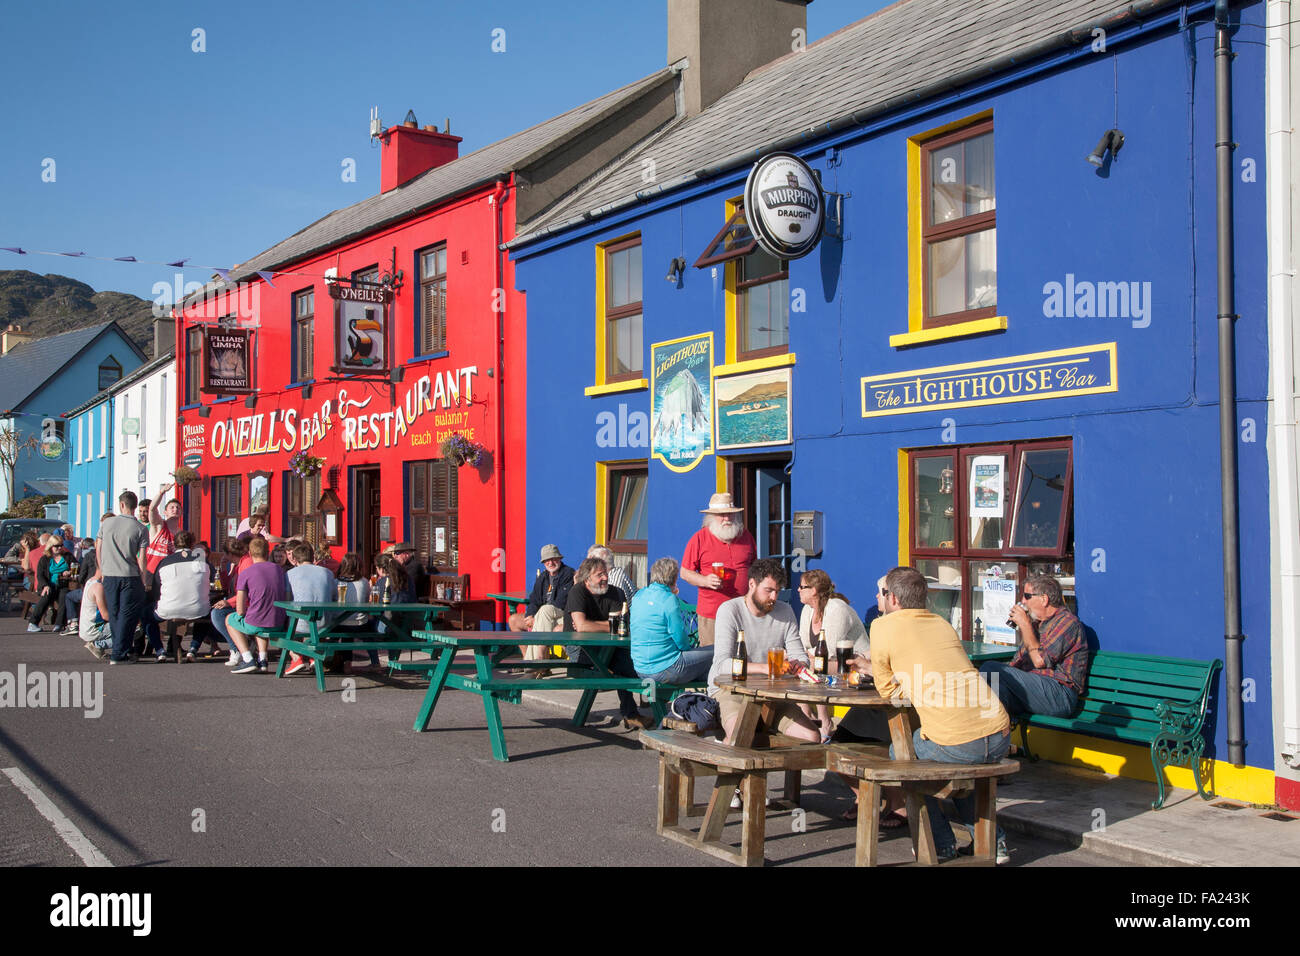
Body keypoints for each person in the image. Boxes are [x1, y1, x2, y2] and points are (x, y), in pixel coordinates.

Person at [871, 566, 1012, 863]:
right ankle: (993, 844)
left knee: (901, 750)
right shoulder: (941, 622)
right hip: (999, 734)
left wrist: (911, 686)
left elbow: (886, 690)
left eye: (882, 593)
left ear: (893, 598)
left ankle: (940, 842)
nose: (879, 597)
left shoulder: (882, 626)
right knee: (965, 762)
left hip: (962, 743)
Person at [709, 558, 819, 744]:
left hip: (773, 693)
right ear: (752, 584)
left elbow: (801, 657)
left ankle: (787, 772)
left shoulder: (785, 611)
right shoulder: (730, 610)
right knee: (739, 736)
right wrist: (764, 668)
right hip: (732, 690)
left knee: (812, 737)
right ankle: (730, 771)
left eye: (777, 591)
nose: (774, 597)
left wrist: (797, 665)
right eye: (768, 590)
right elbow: (721, 665)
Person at [979, 574, 1089, 720]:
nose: (1023, 601)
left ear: (1044, 599)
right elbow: (1016, 663)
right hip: (1032, 692)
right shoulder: (1036, 625)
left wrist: (1025, 624)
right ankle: (993, 739)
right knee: (995, 692)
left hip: (1060, 695)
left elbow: (1040, 661)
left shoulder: (1068, 623)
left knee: (990, 668)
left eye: (1027, 596)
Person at [562, 556, 648, 729]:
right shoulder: (577, 592)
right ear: (587, 579)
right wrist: (609, 625)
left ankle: (637, 713)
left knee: (635, 666)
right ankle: (631, 714)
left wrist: (592, 625)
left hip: (609, 646)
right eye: (599, 575)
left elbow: (622, 626)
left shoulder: (616, 592)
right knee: (617, 666)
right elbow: (581, 626)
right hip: (579, 648)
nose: (605, 578)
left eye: (605, 573)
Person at [679, 492, 756, 646]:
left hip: (743, 610)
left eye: (730, 514)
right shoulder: (699, 538)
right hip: (712, 614)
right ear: (711, 517)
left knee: (742, 656)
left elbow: (755, 568)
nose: (727, 518)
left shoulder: (746, 536)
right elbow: (684, 572)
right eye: (721, 515)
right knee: (713, 658)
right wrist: (705, 580)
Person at [631, 557, 711, 685]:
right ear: (674, 578)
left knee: (702, 669)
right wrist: (689, 650)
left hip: (640, 669)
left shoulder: (639, 595)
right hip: (666, 669)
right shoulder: (669, 600)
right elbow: (680, 639)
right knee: (715, 652)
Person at [96, 491, 149, 664]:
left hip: (110, 574)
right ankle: (119, 652)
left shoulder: (107, 523)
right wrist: (143, 578)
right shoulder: (141, 528)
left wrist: (102, 569)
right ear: (135, 506)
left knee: (114, 613)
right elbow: (142, 557)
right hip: (130, 574)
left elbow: (99, 548)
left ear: (121, 504)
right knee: (128, 615)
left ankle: (119, 651)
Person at [226, 535, 288, 674]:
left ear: (250, 553)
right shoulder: (278, 570)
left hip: (257, 622)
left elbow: (240, 609)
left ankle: (247, 658)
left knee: (229, 619)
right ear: (267, 552)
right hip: (278, 622)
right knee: (261, 621)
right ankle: (262, 659)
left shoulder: (246, 573)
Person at [509, 544, 575, 664]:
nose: (550, 562)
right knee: (513, 620)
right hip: (544, 617)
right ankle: (529, 659)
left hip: (562, 617)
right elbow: (534, 599)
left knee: (546, 610)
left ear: (559, 559)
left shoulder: (568, 574)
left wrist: (538, 617)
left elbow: (561, 602)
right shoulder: (543, 576)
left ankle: (534, 664)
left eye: (553, 559)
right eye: (546, 560)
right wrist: (530, 615)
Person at [153, 531, 213, 662]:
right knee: (206, 614)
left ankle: (159, 650)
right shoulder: (202, 561)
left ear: (174, 544)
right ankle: (193, 649)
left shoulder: (164, 562)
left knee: (147, 617)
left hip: (168, 609)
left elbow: (156, 589)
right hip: (197, 609)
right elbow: (211, 582)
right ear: (192, 544)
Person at [284, 542, 338, 676]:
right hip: (325, 622)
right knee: (315, 620)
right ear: (313, 557)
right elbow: (333, 596)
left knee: (292, 619)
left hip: (301, 624)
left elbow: (287, 599)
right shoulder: (328, 573)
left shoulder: (290, 574)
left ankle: (297, 658)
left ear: (295, 559)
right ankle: (314, 658)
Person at [210, 538, 252, 665]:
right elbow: (227, 585)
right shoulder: (239, 564)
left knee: (217, 614)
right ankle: (238, 646)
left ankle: (236, 648)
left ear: (230, 554)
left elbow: (247, 591)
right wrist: (223, 568)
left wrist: (229, 602)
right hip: (238, 601)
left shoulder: (246, 564)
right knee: (213, 612)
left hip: (246, 604)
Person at [335, 552, 378, 672]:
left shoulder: (336, 582)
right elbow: (366, 601)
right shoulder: (364, 582)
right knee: (369, 630)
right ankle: (375, 662)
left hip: (339, 624)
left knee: (345, 631)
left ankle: (346, 663)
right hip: (359, 624)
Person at [27, 536, 77, 632]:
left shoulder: (68, 556)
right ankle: (33, 623)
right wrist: (45, 585)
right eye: (56, 546)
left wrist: (69, 571)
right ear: (50, 546)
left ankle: (59, 624)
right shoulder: (45, 559)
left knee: (64, 596)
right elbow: (40, 575)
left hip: (64, 584)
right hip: (49, 584)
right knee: (46, 595)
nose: (59, 548)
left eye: (61, 545)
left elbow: (77, 566)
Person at [80, 571, 113, 661]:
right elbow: (106, 616)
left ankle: (99, 645)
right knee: (132, 628)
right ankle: (98, 645)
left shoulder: (90, 581)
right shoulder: (98, 587)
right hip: (94, 628)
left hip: (87, 627)